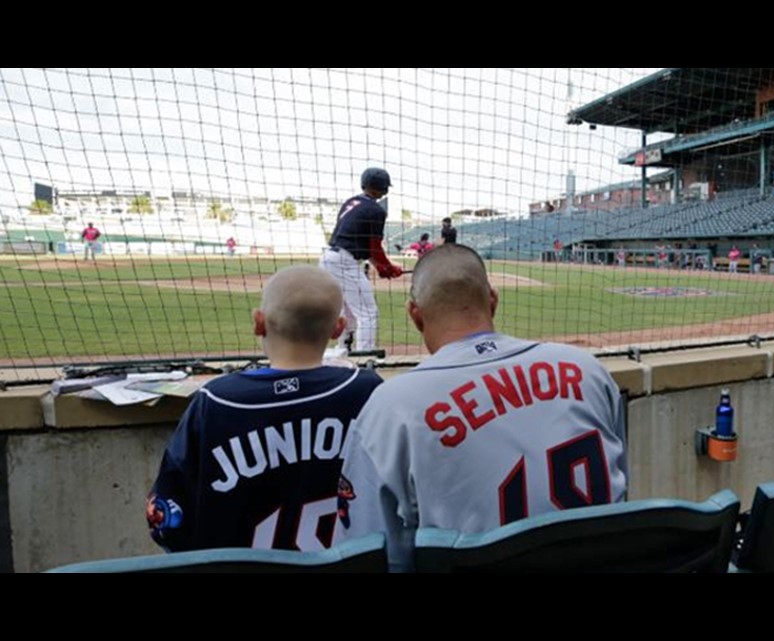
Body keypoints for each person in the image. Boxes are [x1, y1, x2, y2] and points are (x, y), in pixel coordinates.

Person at [335, 244, 628, 571]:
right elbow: (621, 493)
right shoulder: (587, 370)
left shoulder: (392, 407)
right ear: (493, 299)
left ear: (415, 314)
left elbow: (364, 554)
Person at [146, 265, 384, 552]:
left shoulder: (216, 402)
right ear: (338, 328)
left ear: (259, 322)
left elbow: (166, 521)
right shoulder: (368, 391)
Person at [318, 167, 404, 353]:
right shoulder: (376, 210)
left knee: (346, 312)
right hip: (343, 261)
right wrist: (387, 267)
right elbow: (374, 246)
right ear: (383, 187)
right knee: (367, 314)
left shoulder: (352, 201)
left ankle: (343, 350)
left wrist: (382, 267)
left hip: (328, 259)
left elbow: (365, 246)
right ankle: (365, 355)